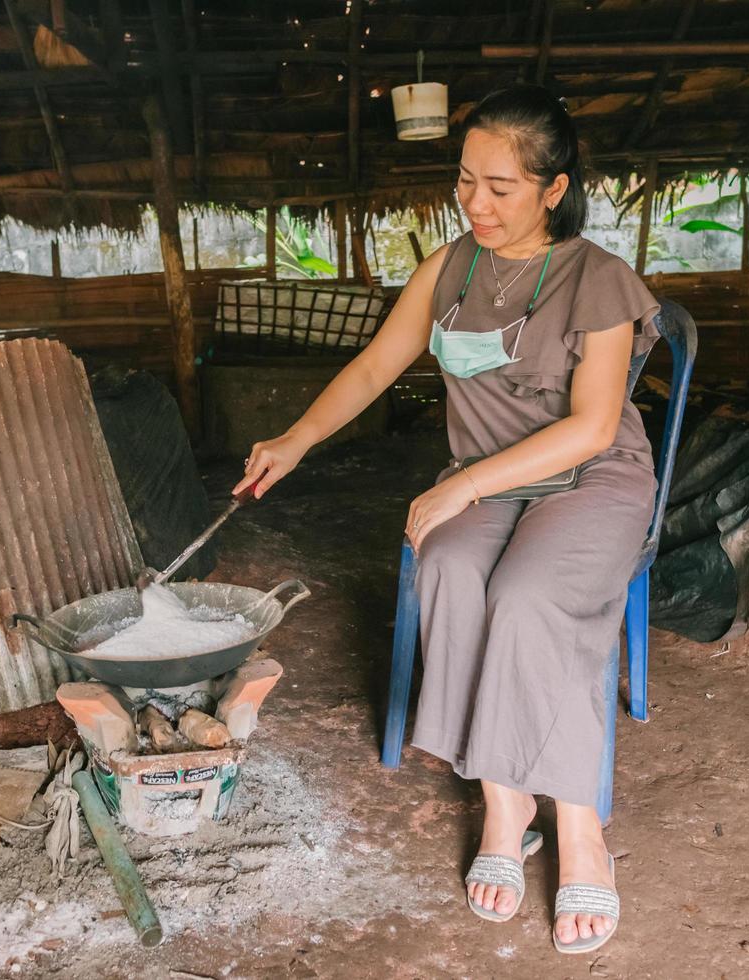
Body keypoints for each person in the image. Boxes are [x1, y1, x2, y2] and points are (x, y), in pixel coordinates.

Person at [233, 84, 660, 955]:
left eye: (501, 187)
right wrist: (297, 439)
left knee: (533, 594)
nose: (476, 203)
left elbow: (587, 427)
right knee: (450, 570)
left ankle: (580, 830)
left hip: (591, 480)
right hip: (488, 484)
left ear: (553, 187)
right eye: (466, 181)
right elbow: (373, 367)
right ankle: (507, 815)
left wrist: (462, 488)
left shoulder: (599, 279)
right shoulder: (449, 268)